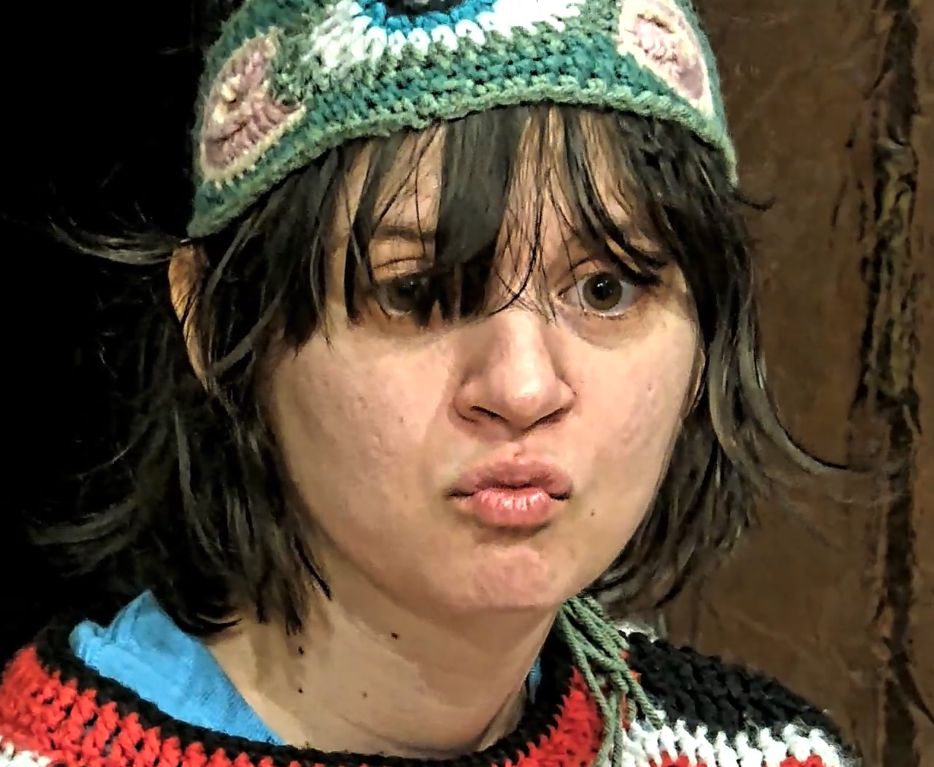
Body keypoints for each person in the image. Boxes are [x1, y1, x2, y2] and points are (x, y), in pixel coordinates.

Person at [0, 0, 857, 765]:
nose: (522, 388)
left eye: (606, 289)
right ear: (220, 326)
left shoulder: (762, 754)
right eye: (414, 292)